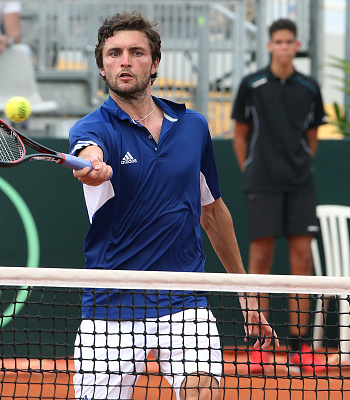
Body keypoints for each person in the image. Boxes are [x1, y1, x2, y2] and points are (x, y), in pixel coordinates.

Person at [69, 11, 278, 400]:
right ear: (101, 67)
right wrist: (93, 168)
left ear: (155, 63)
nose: (125, 61)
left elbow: (212, 212)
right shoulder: (91, 128)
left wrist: (245, 292)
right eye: (114, 54)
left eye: (136, 52)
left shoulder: (193, 126)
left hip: (185, 301)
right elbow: (89, 152)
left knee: (204, 393)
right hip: (112, 304)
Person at [231, 18, 327, 372]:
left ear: (296, 45)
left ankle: (300, 346)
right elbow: (240, 135)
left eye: (290, 42)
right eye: (279, 42)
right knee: (260, 261)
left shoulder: (310, 87)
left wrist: (298, 164)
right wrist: (252, 170)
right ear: (270, 46)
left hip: (300, 183)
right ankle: (259, 345)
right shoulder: (251, 85)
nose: (285, 47)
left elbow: (312, 137)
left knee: (302, 261)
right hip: (262, 183)